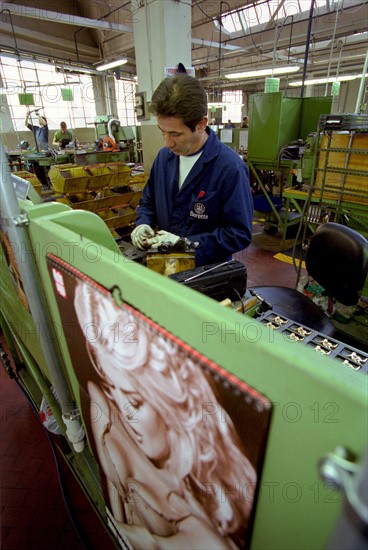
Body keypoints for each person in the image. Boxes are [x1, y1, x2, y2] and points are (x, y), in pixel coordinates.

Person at [73, 279, 257, 550]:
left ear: (173, 402)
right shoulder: (110, 423)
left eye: (135, 402)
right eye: (114, 392)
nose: (125, 414)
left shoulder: (207, 530)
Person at [131, 74, 253, 267]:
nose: (167, 142)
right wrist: (143, 223)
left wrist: (187, 246)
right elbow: (148, 201)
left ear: (201, 124)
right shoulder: (164, 158)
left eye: (176, 134)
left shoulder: (230, 168)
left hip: (204, 273)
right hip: (164, 263)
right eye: (162, 131)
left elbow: (238, 234)